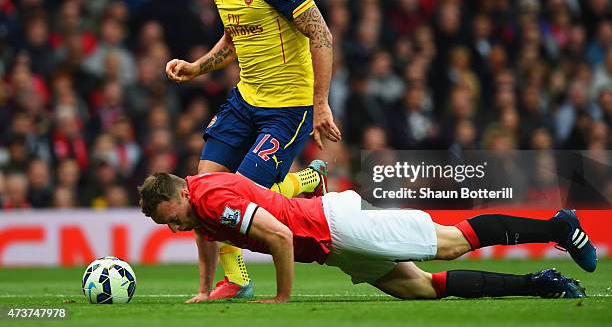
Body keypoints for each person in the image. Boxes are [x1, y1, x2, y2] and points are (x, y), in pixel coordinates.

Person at [164, 0, 341, 301]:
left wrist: (321, 103)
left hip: (287, 107)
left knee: (237, 194)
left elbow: (321, 34)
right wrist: (196, 68)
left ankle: (309, 179)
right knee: (202, 186)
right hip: (245, 99)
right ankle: (221, 283)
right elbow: (233, 39)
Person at [138, 172, 596, 303]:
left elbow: (278, 236)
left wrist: (281, 299)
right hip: (331, 247)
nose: (175, 227)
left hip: (338, 228)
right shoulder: (198, 208)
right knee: (420, 289)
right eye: (167, 226)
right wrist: (203, 289)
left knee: (451, 242)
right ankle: (540, 283)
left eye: (171, 216)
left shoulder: (212, 197)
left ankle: (558, 226)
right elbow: (204, 236)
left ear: (180, 191)